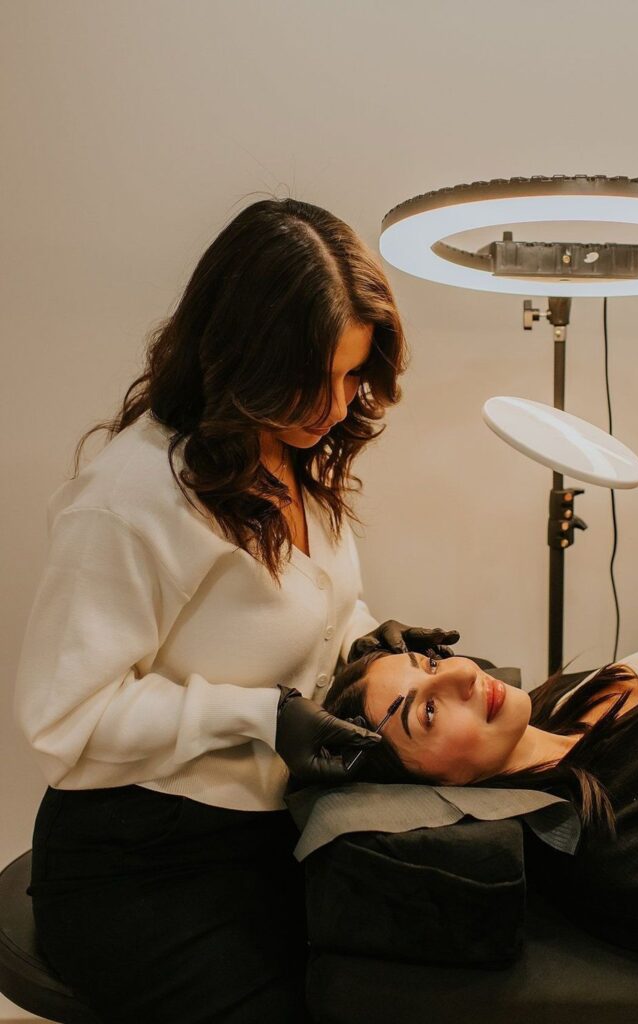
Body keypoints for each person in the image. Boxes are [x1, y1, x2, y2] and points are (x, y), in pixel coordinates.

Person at [12, 197, 459, 1024]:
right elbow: (63, 723)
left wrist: (364, 636)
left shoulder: (289, 449)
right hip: (140, 863)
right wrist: (262, 717)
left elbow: (295, 610)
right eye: (313, 379)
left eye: (351, 375)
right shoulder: (129, 502)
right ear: (244, 354)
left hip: (266, 832)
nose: (335, 406)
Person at [323, 475, 638, 960]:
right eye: (428, 711)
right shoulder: (628, 846)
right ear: (428, 788)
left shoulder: (555, 708)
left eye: (430, 661)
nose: (461, 673)